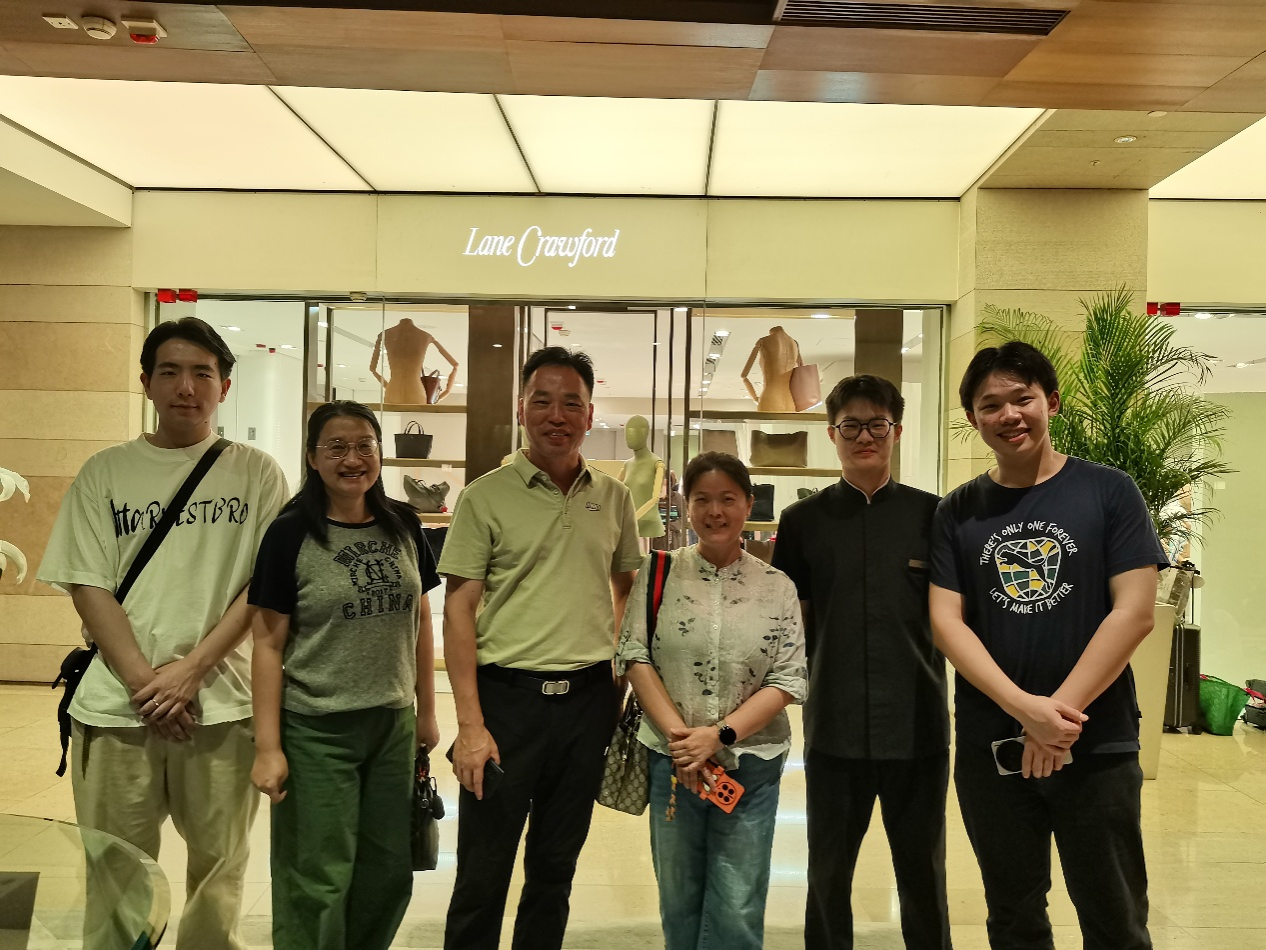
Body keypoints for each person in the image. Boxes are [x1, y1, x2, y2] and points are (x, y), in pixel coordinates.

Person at [37, 317, 288, 950]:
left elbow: (263, 585)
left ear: (224, 386)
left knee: (219, 871)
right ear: (146, 381)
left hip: (223, 704)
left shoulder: (257, 473)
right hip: (118, 709)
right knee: (116, 870)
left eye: (203, 373)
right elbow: (87, 583)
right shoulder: (105, 472)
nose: (186, 386)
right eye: (170, 372)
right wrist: (147, 684)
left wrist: (192, 671)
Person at [929, 341, 1167, 949]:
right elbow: (947, 623)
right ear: (973, 418)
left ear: (1051, 402)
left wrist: (1054, 718)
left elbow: (1135, 612)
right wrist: (1024, 711)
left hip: (1097, 742)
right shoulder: (958, 511)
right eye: (990, 405)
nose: (1008, 415)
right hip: (993, 747)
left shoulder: (1110, 491)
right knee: (1013, 917)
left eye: (1022, 399)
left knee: (1114, 915)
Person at [439, 346, 643, 950]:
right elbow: (458, 610)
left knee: (555, 868)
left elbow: (627, 590)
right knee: (483, 871)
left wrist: (616, 680)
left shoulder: (614, 498)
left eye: (571, 403)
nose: (557, 415)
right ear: (521, 408)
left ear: (589, 414)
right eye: (543, 401)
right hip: (506, 704)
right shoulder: (484, 496)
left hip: (586, 704)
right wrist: (469, 726)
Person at [248, 400, 441, 950]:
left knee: (387, 870)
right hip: (316, 729)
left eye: (364, 446)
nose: (352, 458)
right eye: (336, 447)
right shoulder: (289, 533)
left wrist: (426, 712)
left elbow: (421, 619)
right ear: (312, 457)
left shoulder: (403, 523)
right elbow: (267, 643)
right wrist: (268, 748)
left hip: (391, 726)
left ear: (380, 452)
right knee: (318, 874)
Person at [772, 375, 952, 950]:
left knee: (923, 871)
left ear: (897, 431)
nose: (865, 437)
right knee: (827, 871)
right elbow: (792, 625)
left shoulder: (934, 516)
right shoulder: (802, 521)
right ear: (832, 434)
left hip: (918, 722)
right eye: (851, 426)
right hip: (835, 722)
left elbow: (957, 620)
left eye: (877, 424)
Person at [617, 451, 806, 950]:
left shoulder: (777, 587)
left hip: (752, 763)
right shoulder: (658, 572)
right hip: (672, 761)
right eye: (702, 499)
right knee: (679, 895)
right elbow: (634, 654)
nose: (715, 512)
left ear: (748, 503)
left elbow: (788, 678)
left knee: (739, 900)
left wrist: (717, 736)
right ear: (687, 505)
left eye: (728, 499)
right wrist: (685, 743)